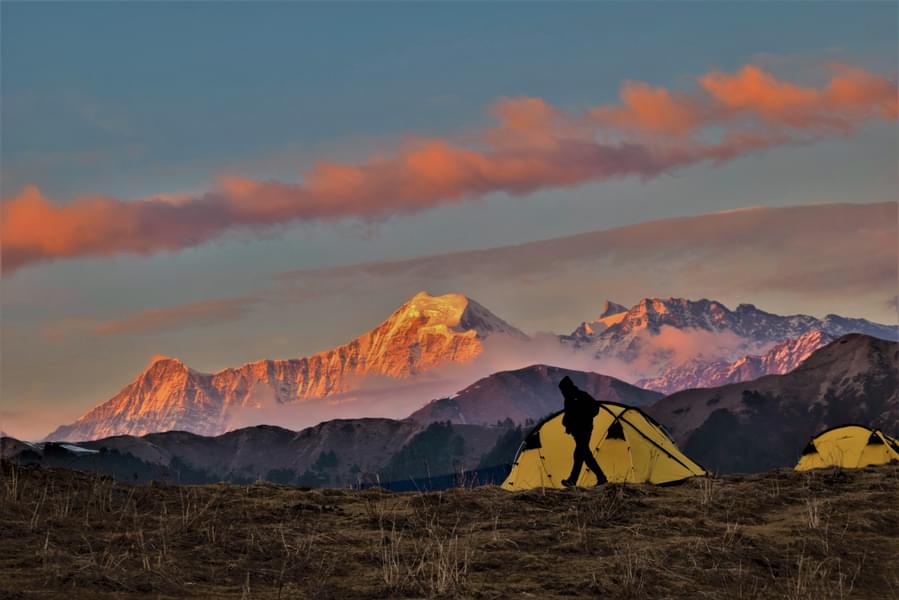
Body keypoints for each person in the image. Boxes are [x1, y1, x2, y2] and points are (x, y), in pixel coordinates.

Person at [558, 376, 608, 487]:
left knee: (579, 454)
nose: (562, 392)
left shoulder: (581, 396)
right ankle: (601, 478)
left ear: (567, 388)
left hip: (585, 430)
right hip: (577, 432)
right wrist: (568, 425)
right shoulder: (568, 399)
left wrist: (585, 418)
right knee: (585, 455)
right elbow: (569, 415)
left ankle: (573, 480)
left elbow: (595, 407)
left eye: (563, 390)